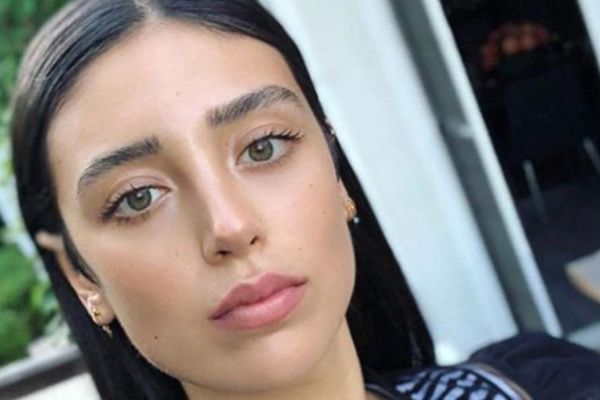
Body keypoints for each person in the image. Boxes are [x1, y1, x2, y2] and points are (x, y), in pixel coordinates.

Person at [9, 1, 600, 399]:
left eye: (263, 147)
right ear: (79, 274)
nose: (230, 225)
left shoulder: (546, 384)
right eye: (138, 197)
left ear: (336, 174)